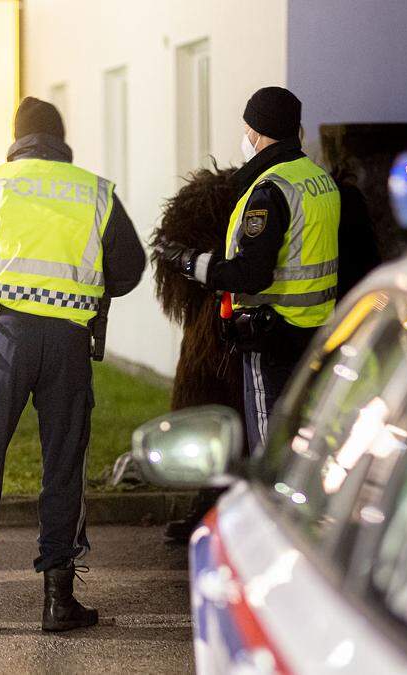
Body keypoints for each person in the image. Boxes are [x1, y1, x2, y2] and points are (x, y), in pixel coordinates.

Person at [0, 97, 145, 631]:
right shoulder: (95, 191)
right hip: (69, 342)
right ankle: (57, 601)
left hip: (4, 339)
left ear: (17, 137)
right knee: (63, 464)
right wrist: (85, 290)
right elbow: (131, 267)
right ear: (60, 139)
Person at [156, 86, 340, 455]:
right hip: (314, 329)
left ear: (257, 131)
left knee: (268, 448)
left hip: (271, 336)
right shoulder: (317, 180)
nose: (245, 138)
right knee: (302, 442)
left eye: (247, 130)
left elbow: (251, 275)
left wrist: (190, 262)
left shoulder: (269, 191)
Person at [149, 167, 246, 542]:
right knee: (207, 408)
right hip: (214, 320)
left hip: (237, 319)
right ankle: (209, 498)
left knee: (236, 411)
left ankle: (225, 500)